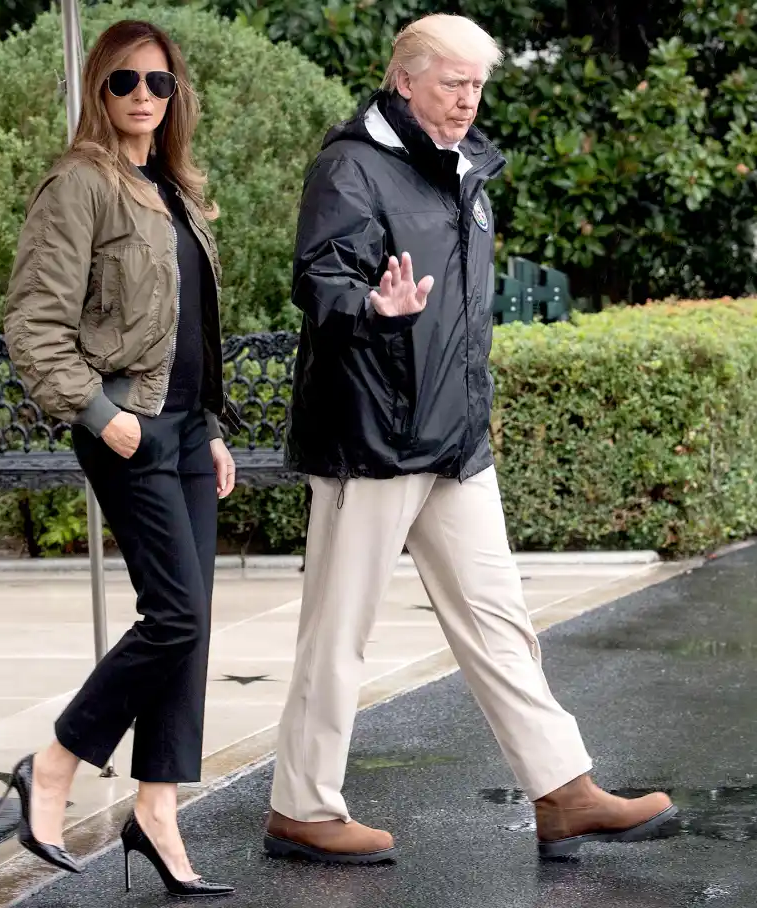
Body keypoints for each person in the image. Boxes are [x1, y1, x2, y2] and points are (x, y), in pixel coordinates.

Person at [264, 13, 678, 864]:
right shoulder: (352, 166)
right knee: (338, 633)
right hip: (371, 438)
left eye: (477, 85)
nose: (467, 101)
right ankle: (301, 808)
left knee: (501, 621)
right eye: (453, 83)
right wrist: (371, 306)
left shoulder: (465, 170)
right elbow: (321, 278)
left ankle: (562, 791)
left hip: (453, 442)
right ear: (404, 79)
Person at [0, 19, 237, 897]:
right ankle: (56, 761)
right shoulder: (79, 185)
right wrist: (103, 417)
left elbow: (190, 329)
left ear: (177, 96)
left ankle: (158, 809)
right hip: (128, 428)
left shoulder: (176, 191)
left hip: (186, 431)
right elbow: (33, 325)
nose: (144, 95)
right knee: (173, 614)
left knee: (191, 622)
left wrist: (210, 427)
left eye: (159, 82)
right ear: (99, 88)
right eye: (125, 81)